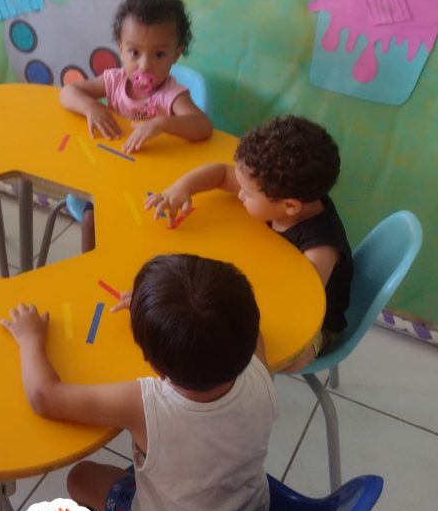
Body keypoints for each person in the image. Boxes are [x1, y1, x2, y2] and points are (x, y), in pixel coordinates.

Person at [1, 254, 275, 511]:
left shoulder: (144, 404)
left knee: (81, 477)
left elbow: (44, 396)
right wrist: (160, 315)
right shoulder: (258, 368)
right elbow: (248, 329)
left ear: (154, 366)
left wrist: (30, 339)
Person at [145, 115, 352, 370]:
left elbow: (298, 303)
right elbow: (221, 173)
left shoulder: (320, 249)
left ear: (290, 206)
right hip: (270, 274)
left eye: (248, 194)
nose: (240, 193)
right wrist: (181, 187)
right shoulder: (280, 193)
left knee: (288, 358)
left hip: (316, 324)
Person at [59, 0, 213, 251]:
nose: (145, 65)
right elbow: (67, 92)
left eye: (159, 55)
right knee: (91, 220)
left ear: (176, 53)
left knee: (147, 233)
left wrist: (163, 123)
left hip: (153, 184)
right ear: (120, 48)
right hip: (112, 174)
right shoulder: (114, 81)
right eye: (134, 53)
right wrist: (91, 107)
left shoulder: (171, 95)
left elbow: (202, 126)